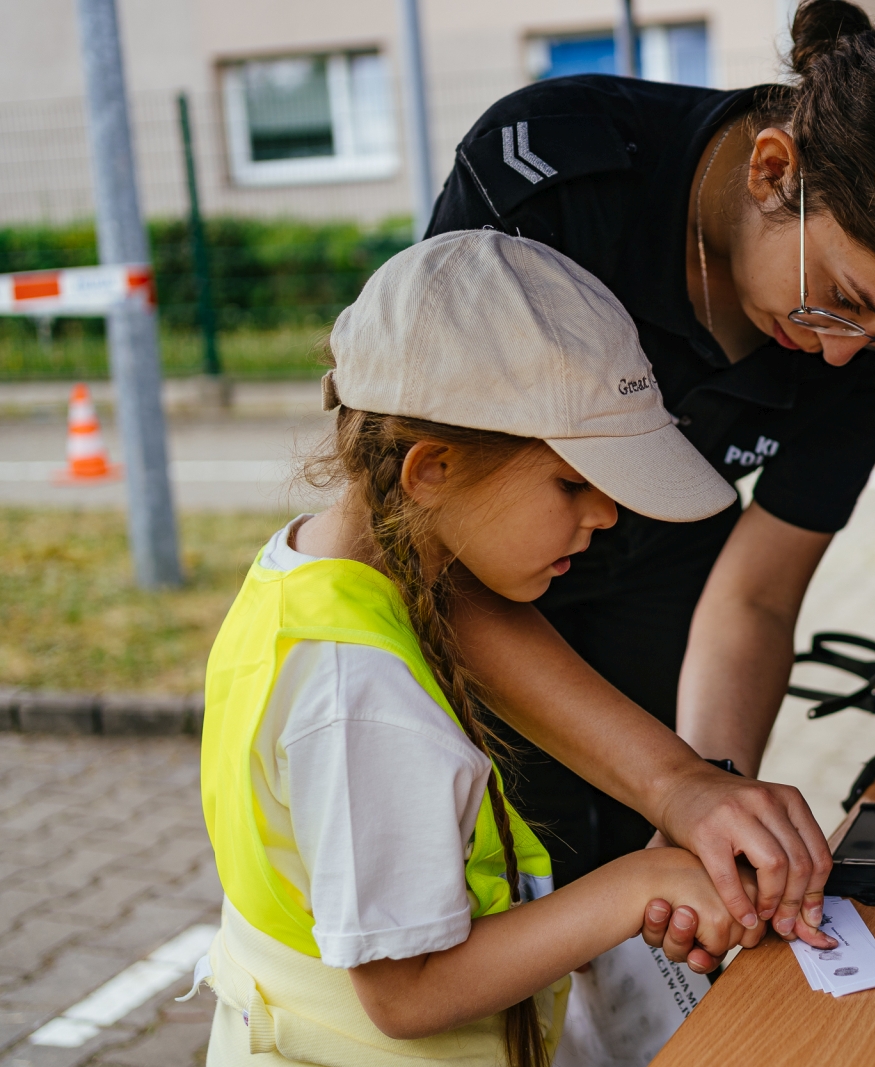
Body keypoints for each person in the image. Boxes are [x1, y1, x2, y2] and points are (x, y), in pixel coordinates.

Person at [426, 0, 875, 945]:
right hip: (480, 615)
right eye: (843, 302)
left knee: (651, 924)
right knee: (495, 911)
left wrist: (715, 803)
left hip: (672, 604)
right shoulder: (552, 187)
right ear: (772, 170)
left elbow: (755, 592)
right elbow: (435, 555)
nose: (844, 360)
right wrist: (678, 783)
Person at [198, 232, 788, 1067]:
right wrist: (635, 885)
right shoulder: (360, 691)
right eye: (572, 484)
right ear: (431, 470)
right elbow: (405, 991)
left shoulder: (313, 577)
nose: (608, 515)